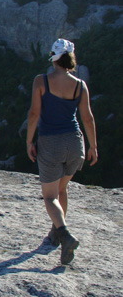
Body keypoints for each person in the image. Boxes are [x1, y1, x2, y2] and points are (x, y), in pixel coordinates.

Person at [26, 38, 98, 265]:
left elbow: (34, 115)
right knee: (62, 189)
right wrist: (93, 146)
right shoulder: (80, 85)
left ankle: (65, 235)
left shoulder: (41, 81)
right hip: (75, 143)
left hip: (51, 142)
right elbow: (87, 117)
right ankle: (56, 233)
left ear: (53, 57)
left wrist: (29, 141)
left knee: (49, 196)